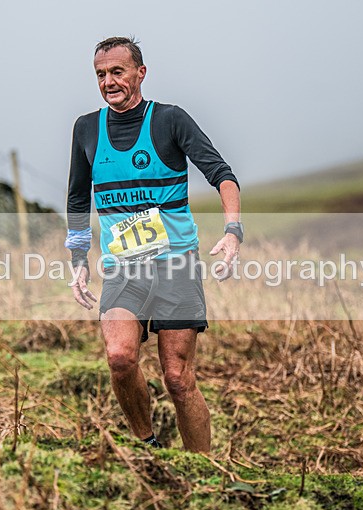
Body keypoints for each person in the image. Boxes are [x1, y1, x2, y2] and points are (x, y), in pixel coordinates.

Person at [65, 36, 242, 453]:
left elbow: (222, 174)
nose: (109, 82)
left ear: (140, 73)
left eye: (117, 72)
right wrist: (78, 258)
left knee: (179, 379)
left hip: (176, 264)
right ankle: (149, 446)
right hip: (124, 268)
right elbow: (77, 197)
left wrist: (233, 232)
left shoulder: (169, 120)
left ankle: (204, 472)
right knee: (120, 357)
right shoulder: (86, 129)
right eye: (100, 74)